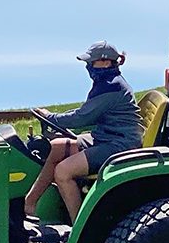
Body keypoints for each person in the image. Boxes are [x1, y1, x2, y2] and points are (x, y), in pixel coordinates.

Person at [24, 41, 144, 223]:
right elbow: (86, 112)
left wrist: (51, 117)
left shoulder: (112, 86)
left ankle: (78, 229)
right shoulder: (105, 82)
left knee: (63, 172)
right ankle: (29, 204)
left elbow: (82, 118)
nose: (88, 66)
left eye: (91, 62)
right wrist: (53, 118)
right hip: (106, 137)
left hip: (118, 145)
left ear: (105, 62)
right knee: (55, 147)